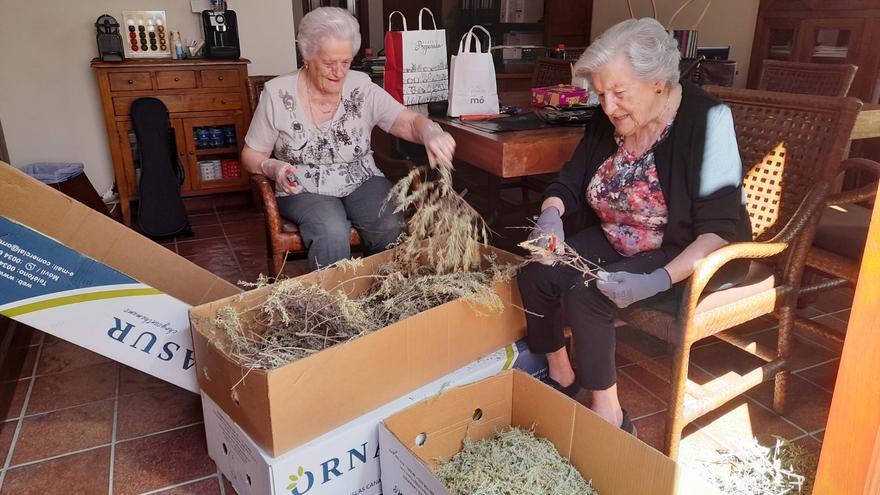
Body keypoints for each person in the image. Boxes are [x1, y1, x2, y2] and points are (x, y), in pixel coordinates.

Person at [517, 18, 751, 435]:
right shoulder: (610, 118)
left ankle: (609, 415)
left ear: (659, 82)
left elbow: (719, 230)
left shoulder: (707, 119)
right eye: (602, 93)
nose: (608, 107)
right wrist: (551, 213)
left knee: (588, 294)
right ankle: (561, 374)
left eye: (619, 93)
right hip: (617, 236)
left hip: (680, 250)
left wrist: (659, 278)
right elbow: (571, 179)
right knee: (536, 270)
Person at [241, 7, 455, 270]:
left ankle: (385, 295)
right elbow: (251, 155)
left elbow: (409, 122)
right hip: (304, 186)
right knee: (330, 230)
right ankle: (334, 305)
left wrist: (430, 131)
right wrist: (272, 168)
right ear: (307, 57)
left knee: (388, 223)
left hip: (362, 178)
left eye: (345, 62)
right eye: (329, 63)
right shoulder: (276, 93)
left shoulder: (361, 86)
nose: (339, 72)